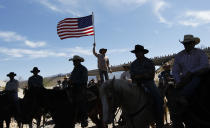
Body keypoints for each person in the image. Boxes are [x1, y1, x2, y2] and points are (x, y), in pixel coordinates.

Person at [130, 44, 164, 128]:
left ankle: (160, 123)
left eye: (138, 52)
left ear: (143, 53)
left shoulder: (149, 62)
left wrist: (140, 76)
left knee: (158, 98)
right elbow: (132, 75)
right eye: (136, 53)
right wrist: (140, 76)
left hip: (148, 83)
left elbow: (151, 75)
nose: (137, 54)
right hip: (136, 84)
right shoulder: (133, 64)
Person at [172, 34, 209, 101]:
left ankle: (183, 95)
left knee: (197, 78)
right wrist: (178, 81)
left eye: (189, 43)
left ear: (194, 43)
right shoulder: (179, 56)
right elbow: (175, 71)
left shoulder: (200, 53)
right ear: (184, 44)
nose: (187, 45)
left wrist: (191, 72)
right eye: (186, 43)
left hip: (200, 75)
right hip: (185, 78)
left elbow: (205, 65)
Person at [68, 55, 88, 127]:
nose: (73, 62)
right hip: (73, 87)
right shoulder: (74, 69)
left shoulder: (83, 69)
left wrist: (73, 82)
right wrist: (69, 81)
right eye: (73, 61)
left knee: (80, 99)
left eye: (75, 61)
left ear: (79, 61)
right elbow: (71, 78)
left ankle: (84, 118)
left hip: (81, 87)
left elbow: (84, 80)